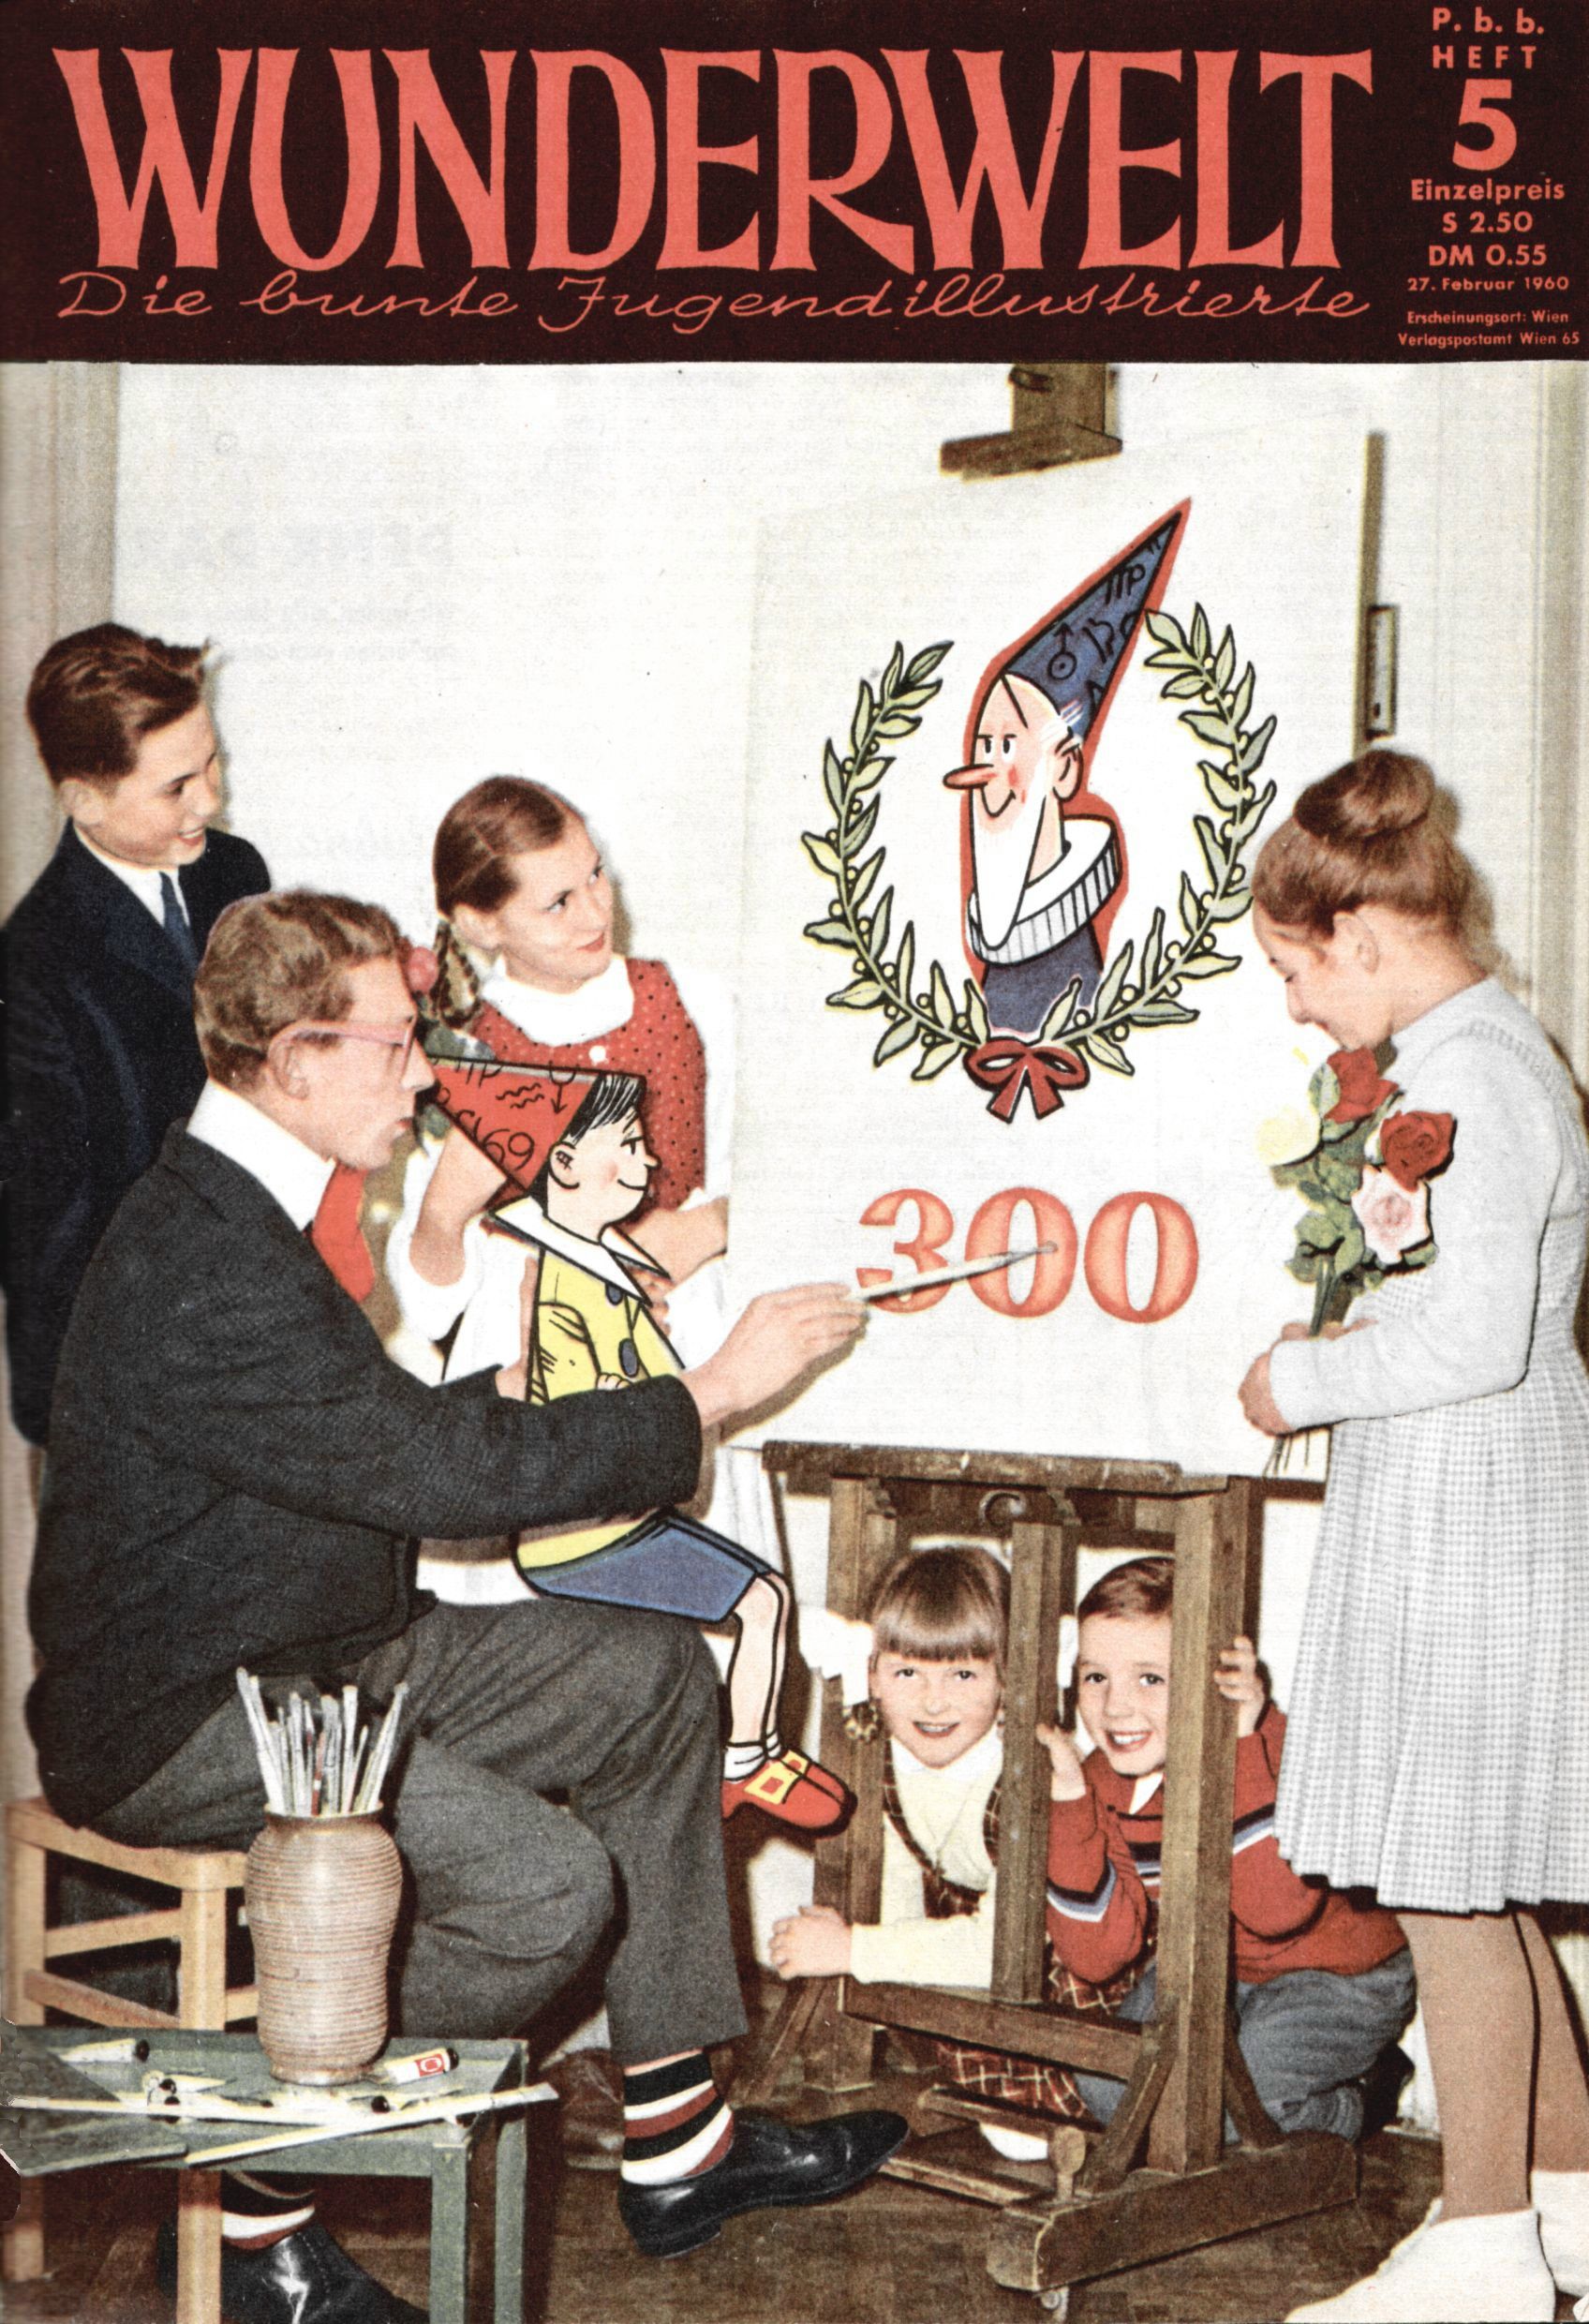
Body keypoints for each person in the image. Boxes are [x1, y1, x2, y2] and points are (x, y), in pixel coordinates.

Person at [26, 889, 903, 2323]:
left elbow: (353, 1444)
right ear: (296, 1060)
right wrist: (707, 1394)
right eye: (395, 1045)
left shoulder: (239, 1203)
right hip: (192, 1713)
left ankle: (679, 2142)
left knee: (653, 1678)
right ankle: (260, 2209)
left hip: (323, 1652)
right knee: (542, 1890)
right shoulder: (207, 1250)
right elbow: (436, 1482)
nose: (426, 1075)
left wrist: (481, 1406)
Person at [1238, 748, 1589, 2323]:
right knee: (1481, 1875)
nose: (1299, 1007)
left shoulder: (1474, 1079)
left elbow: (1477, 1338)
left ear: (1366, 935)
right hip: (1462, 1484)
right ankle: (1565, 2202)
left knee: (1448, 1880)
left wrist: (1298, 1379)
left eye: (1298, 972)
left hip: (1477, 1495)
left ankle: (1481, 2246)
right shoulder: (1477, 1053)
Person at [385, 775, 749, 1600]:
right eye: (557, 902)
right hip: (531, 1353)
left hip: (684, 1321)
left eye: (595, 875)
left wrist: (704, 1228)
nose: (594, 912)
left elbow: (773, 1173)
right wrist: (446, 1210)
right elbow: (429, 1304)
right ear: (482, 923)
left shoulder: (693, 1003)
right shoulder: (455, 1056)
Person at [475, 1063, 851, 1830]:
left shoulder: (603, 1272)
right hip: (581, 1538)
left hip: (613, 1520)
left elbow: (648, 1386)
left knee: (747, 1606)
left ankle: (744, 1756)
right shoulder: (563, 1281)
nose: (646, 1162)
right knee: (760, 1599)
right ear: (566, 1167)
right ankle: (748, 1761)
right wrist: (707, 1379)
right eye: (627, 1146)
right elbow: (587, 1421)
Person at [768, 1545, 1131, 2162]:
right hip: (985, 1943)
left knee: (1046, 2111)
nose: (933, 1702)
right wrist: (860, 1944)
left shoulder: (1024, 1776)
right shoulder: (886, 1762)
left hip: (1072, 1959)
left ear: (1006, 1679)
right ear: (871, 1676)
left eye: (963, 1675)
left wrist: (852, 1948)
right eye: (908, 1673)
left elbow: (1002, 1950)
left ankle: (1074, 2099)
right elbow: (899, 1907)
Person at [1037, 1557, 1414, 2148]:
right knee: (1109, 2084)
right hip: (1216, 1969)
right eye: (1095, 1677)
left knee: (1241, 2102)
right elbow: (1096, 1957)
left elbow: (1276, 1911)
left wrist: (1238, 1743)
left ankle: (1362, 2098)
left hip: (1339, 1976)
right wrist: (1069, 1799)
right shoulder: (1102, 1780)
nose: (1114, 1707)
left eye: (1150, 1679)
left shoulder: (1272, 1747)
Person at [1, 621, 269, 1443]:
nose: (210, 801)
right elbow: (50, 1233)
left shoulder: (236, 872)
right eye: (175, 787)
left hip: (242, 1328)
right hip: (114, 1387)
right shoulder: (32, 967)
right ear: (84, 799)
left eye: (213, 763)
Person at [942, 513, 1178, 1034]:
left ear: (1065, 769)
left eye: (1009, 745)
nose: (985, 770)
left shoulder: (1066, 955)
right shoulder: (999, 938)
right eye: (984, 745)